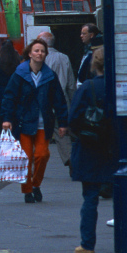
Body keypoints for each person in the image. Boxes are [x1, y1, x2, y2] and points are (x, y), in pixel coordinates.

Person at [0, 38, 69, 203]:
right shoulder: (19, 73)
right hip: (23, 122)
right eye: (36, 51)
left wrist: (63, 123)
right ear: (29, 53)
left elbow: (59, 100)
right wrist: (7, 118)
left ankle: (36, 184)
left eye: (42, 51)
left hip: (43, 123)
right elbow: (9, 97)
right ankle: (27, 190)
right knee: (26, 158)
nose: (40, 53)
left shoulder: (50, 75)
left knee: (42, 155)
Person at [69, 47, 116, 253]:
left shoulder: (88, 87)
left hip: (90, 147)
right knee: (121, 197)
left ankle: (87, 244)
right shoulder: (119, 86)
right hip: (115, 149)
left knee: (90, 197)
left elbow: (72, 119)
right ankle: (125, 241)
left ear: (94, 64)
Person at [37, 31, 76, 168]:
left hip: (43, 102)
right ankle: (70, 158)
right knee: (62, 132)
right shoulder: (64, 58)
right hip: (62, 100)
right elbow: (71, 84)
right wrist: (72, 102)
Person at [0, 39, 21, 138]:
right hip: (14, 95)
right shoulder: (17, 61)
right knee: (13, 120)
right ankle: (12, 139)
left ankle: (1, 138)